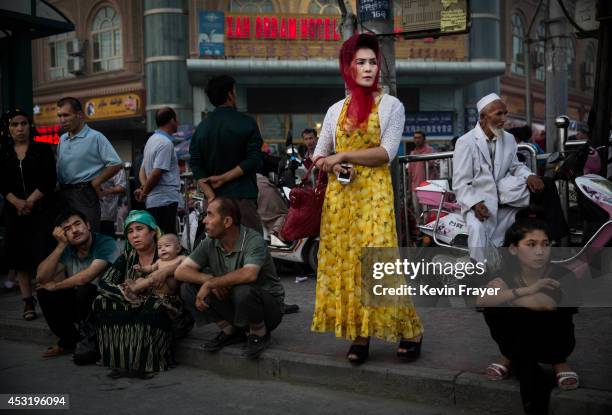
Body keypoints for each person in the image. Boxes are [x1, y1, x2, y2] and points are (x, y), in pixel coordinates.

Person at [310, 33, 423, 365]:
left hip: (373, 198)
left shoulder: (391, 106)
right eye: (361, 62)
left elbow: (386, 153)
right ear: (348, 67)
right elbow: (318, 155)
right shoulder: (334, 110)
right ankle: (360, 334)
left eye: (373, 62)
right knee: (348, 267)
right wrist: (329, 161)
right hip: (340, 200)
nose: (369, 68)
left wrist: (341, 154)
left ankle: (411, 330)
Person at [476, 210, 579, 413]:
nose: (540, 251)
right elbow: (482, 299)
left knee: (538, 312)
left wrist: (507, 295)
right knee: (494, 309)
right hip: (520, 339)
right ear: (513, 249)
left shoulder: (562, 274)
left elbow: (544, 304)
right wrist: (526, 291)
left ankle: (556, 362)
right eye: (531, 245)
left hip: (554, 342)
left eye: (545, 244)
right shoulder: (505, 273)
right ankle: (510, 355)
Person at [176, 197, 285, 360]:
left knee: (243, 289)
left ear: (227, 221)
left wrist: (212, 283)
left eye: (210, 215)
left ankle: (258, 333)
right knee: (187, 288)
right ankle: (231, 331)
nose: (204, 220)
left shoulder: (253, 240)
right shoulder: (209, 242)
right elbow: (181, 271)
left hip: (268, 309)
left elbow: (250, 274)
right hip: (233, 302)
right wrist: (208, 279)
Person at [93, 210, 194, 379]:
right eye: (130, 232)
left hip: (171, 309)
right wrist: (124, 295)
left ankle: (148, 363)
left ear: (153, 232)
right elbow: (104, 282)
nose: (134, 235)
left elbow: (193, 262)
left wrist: (166, 270)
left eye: (139, 229)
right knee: (101, 301)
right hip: (135, 301)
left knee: (151, 306)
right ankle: (121, 360)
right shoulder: (127, 257)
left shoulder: (168, 247)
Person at [452, 93, 546, 263]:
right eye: (499, 114)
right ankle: (479, 276)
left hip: (505, 202)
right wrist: (475, 204)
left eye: (505, 113)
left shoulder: (508, 139)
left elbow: (515, 166)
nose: (504, 119)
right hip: (480, 205)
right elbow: (460, 183)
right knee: (477, 230)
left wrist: (530, 175)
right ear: (483, 117)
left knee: (522, 229)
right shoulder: (466, 142)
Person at [36, 208, 118, 364]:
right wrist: (60, 246)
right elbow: (41, 277)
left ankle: (92, 341)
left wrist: (56, 285)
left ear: (87, 224)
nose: (74, 230)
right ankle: (70, 340)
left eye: (77, 224)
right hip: (83, 304)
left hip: (107, 304)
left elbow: (87, 276)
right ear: (64, 235)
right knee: (44, 293)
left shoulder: (106, 242)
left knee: (84, 289)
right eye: (67, 229)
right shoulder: (67, 250)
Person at [0, 109, 57, 320]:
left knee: (43, 254)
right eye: (14, 125)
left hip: (41, 211)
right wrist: (16, 202)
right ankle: (27, 302)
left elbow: (49, 179)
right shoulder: (3, 153)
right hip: (14, 213)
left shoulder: (42, 149)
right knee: (20, 257)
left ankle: (48, 297)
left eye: (23, 123)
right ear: (8, 129)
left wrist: (30, 201)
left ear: (29, 126)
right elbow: (2, 184)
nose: (20, 128)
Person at [189, 75, 263, 233]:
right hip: (242, 201)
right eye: (234, 91)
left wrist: (210, 195)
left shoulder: (202, 128)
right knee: (249, 250)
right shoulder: (247, 122)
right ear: (230, 94)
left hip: (215, 204)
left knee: (218, 253)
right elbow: (254, 159)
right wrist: (224, 178)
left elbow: (195, 164)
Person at [56, 97, 122, 231]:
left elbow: (116, 163)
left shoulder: (95, 137)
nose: (62, 120)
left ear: (79, 115)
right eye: (60, 116)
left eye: (66, 115)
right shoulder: (63, 139)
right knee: (66, 238)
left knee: (87, 236)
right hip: (63, 195)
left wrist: (96, 182)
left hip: (84, 194)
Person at [135, 107, 181, 234]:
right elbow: (156, 173)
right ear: (172, 120)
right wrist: (144, 192)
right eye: (177, 119)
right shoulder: (165, 143)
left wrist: (144, 188)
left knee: (159, 239)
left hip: (153, 201)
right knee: (168, 238)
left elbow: (142, 171)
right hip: (165, 200)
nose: (178, 122)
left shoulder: (151, 140)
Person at [121, 233, 185, 300]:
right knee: (141, 279)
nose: (162, 249)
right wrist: (142, 268)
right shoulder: (159, 261)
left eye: (167, 245)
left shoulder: (181, 258)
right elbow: (150, 268)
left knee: (153, 277)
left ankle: (135, 287)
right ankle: (134, 294)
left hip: (169, 288)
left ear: (178, 248)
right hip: (156, 288)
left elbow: (189, 265)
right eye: (159, 247)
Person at [407, 130, 437, 217]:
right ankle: (419, 230)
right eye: (415, 138)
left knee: (428, 213)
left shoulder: (430, 151)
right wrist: (409, 190)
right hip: (415, 188)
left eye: (419, 138)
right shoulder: (412, 154)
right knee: (417, 213)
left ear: (424, 139)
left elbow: (433, 166)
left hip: (428, 188)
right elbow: (410, 173)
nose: (417, 140)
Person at [99, 169, 126, 238]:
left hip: (106, 212)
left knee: (107, 239)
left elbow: (122, 186)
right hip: (87, 211)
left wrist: (106, 191)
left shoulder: (114, 163)